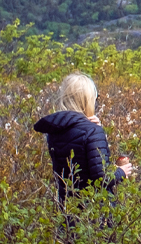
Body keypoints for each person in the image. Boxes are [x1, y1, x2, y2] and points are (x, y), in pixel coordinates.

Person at [32, 73, 135, 205]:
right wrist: (121, 172)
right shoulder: (92, 131)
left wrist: (94, 129)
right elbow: (101, 178)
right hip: (94, 212)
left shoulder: (55, 132)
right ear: (87, 99)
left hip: (68, 207)